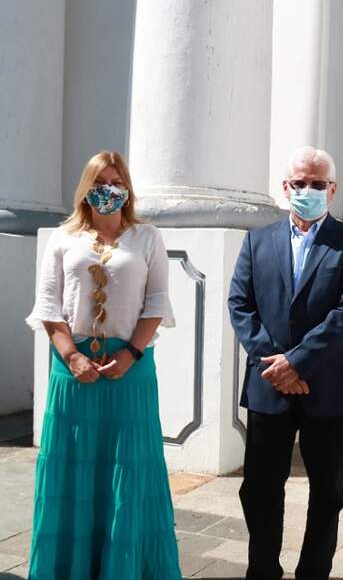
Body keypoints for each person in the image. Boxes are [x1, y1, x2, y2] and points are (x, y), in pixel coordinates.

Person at [25, 150, 181, 579]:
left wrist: (132, 353)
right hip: (72, 371)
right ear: (85, 190)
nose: (107, 191)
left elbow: (156, 304)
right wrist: (72, 356)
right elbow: (49, 307)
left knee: (128, 472)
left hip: (129, 370)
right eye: (98, 183)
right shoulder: (62, 238)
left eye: (114, 183)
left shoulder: (147, 237)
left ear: (126, 188)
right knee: (71, 471)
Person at [228, 146, 343, 580]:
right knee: (259, 489)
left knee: (326, 492)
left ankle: (314, 573)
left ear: (332, 190)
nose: (307, 190)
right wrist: (274, 365)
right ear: (285, 187)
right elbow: (240, 304)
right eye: (299, 183)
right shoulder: (257, 241)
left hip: (328, 388)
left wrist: (298, 362)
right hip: (268, 386)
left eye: (317, 184)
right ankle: (263, 571)